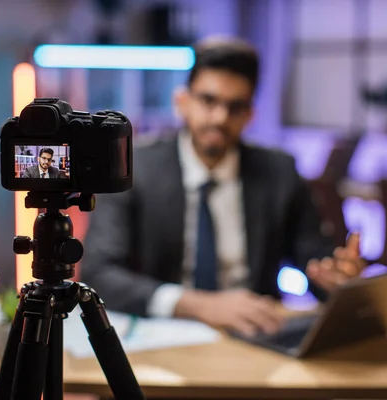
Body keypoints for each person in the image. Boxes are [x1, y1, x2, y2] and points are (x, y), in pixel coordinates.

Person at [82, 36, 366, 336]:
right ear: (182, 102)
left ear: (250, 115)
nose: (220, 117)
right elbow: (99, 274)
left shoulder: (278, 172)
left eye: (235, 107)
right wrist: (197, 304)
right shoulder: (134, 170)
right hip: (161, 334)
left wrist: (336, 280)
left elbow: (314, 259)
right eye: (208, 100)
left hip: (254, 333)